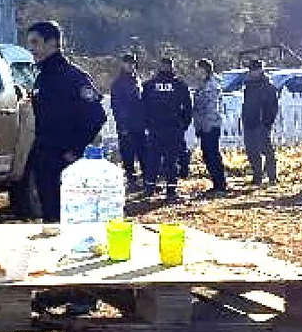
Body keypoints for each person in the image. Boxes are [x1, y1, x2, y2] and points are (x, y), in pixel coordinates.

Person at [24, 21, 107, 222]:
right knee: (50, 217)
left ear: (52, 43)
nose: (31, 49)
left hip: (64, 160)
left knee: (68, 217)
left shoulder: (73, 77)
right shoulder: (43, 77)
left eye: (35, 43)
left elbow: (96, 116)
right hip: (45, 157)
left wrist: (74, 150)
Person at [141, 57, 193, 202]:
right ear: (171, 67)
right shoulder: (179, 85)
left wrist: (147, 124)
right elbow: (188, 107)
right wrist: (183, 125)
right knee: (171, 160)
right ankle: (171, 190)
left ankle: (150, 187)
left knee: (153, 159)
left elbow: (143, 107)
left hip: (155, 128)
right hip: (173, 128)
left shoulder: (150, 85)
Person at [110, 54, 147, 192]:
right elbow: (117, 107)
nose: (131, 66)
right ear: (123, 64)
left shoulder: (137, 80)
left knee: (143, 151)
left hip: (139, 124)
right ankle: (131, 180)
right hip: (126, 125)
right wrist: (123, 125)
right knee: (128, 153)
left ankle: (147, 179)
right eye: (128, 63)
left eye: (133, 63)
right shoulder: (118, 83)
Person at [241, 58, 281, 186]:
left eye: (253, 69)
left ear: (260, 70)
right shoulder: (248, 85)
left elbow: (273, 107)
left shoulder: (267, 86)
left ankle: (272, 176)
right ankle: (257, 175)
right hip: (249, 122)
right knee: (252, 151)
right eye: (250, 70)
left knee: (266, 150)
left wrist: (267, 122)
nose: (251, 72)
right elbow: (246, 104)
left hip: (261, 123)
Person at [192, 58, 228, 197]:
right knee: (207, 155)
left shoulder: (212, 86)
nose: (196, 72)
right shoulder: (202, 85)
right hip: (203, 125)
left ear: (205, 70)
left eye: (199, 69)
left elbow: (212, 108)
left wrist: (206, 125)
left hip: (211, 125)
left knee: (212, 155)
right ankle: (216, 183)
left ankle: (220, 184)